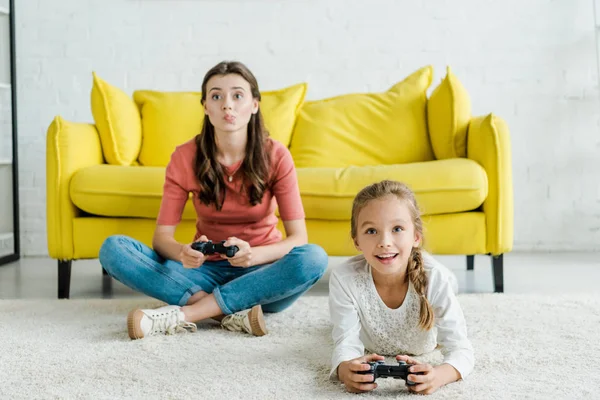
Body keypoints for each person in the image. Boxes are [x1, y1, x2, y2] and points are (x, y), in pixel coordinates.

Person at [99, 60, 328, 340]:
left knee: (314, 258)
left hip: (262, 276)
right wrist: (183, 252)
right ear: (206, 107)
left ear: (255, 104)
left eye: (238, 95)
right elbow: (162, 239)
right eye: (216, 96)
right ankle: (228, 314)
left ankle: (189, 313)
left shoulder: (276, 155)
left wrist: (252, 255)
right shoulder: (184, 156)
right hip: (204, 272)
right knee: (113, 249)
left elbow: (298, 239)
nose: (227, 105)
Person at [328, 180, 474, 395]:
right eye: (371, 231)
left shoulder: (434, 279)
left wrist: (439, 376)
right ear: (356, 241)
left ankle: (452, 285)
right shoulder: (344, 278)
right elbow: (345, 342)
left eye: (397, 229)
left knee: (447, 282)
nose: (384, 242)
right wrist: (344, 369)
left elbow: (461, 349)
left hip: (433, 293)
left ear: (416, 236)